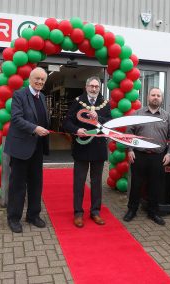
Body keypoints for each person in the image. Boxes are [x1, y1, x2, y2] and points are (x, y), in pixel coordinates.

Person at [4, 67, 50, 233]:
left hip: (37, 147)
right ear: (30, 79)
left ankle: (33, 215)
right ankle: (13, 218)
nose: (39, 82)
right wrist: (35, 128)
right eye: (37, 78)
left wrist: (43, 130)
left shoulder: (42, 97)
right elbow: (16, 119)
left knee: (36, 183)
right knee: (18, 185)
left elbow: (42, 119)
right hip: (21, 148)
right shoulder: (19, 95)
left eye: (42, 80)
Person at [63, 76, 111, 228]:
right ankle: (78, 213)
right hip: (81, 148)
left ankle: (95, 212)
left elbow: (110, 122)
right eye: (91, 86)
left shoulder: (105, 103)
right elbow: (67, 121)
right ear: (86, 86)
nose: (94, 89)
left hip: (98, 149)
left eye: (97, 86)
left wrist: (99, 117)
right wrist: (76, 129)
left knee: (97, 182)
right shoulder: (78, 101)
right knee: (79, 182)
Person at [123, 87, 170, 225]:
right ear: (148, 97)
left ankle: (153, 212)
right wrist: (130, 150)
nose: (156, 97)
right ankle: (132, 210)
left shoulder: (166, 116)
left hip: (158, 156)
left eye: (158, 95)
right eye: (153, 95)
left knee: (155, 185)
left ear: (161, 98)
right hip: (139, 155)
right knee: (136, 184)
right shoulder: (137, 114)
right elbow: (129, 134)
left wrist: (169, 153)